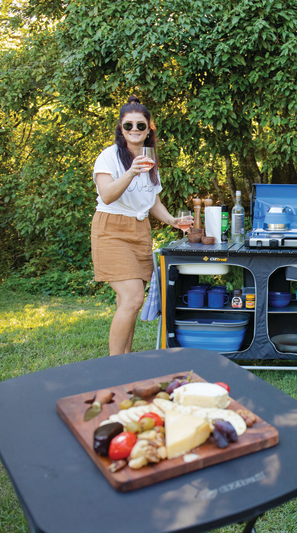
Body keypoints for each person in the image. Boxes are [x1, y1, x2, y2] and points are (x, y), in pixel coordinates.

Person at [91, 95, 190, 356]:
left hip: (139, 231)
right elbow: (107, 195)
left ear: (149, 130)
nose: (134, 130)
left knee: (127, 301)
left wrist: (172, 221)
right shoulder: (109, 157)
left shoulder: (150, 159)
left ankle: (125, 360)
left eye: (140, 125)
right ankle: (115, 365)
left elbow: (152, 200)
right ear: (121, 129)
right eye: (128, 125)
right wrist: (131, 171)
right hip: (111, 230)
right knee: (134, 297)